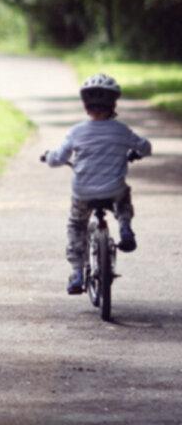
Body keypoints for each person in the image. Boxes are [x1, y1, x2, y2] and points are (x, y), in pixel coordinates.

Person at [42, 73, 152, 295]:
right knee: (123, 198)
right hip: (113, 190)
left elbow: (58, 159)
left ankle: (77, 273)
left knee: (76, 224)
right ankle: (125, 227)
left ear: (85, 106)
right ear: (114, 104)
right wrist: (135, 153)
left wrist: (48, 157)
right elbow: (145, 147)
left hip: (83, 193)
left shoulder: (76, 132)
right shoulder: (121, 130)